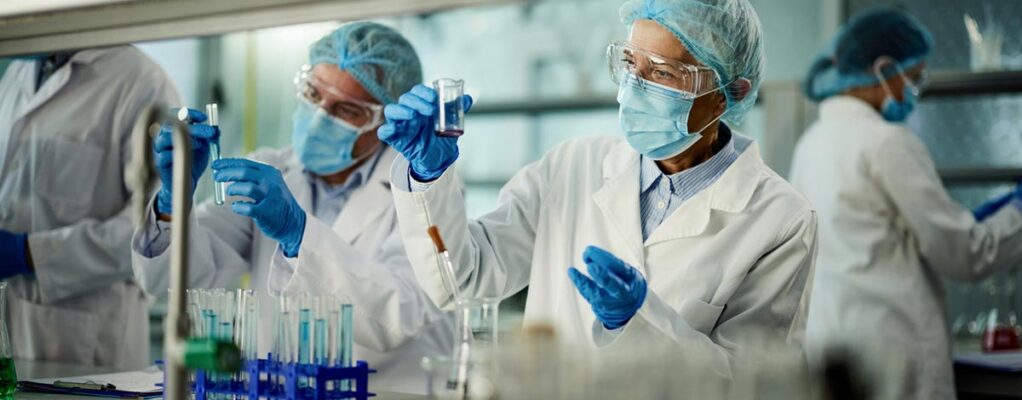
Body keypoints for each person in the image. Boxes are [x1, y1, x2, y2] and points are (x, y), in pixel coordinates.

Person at [378, 0, 817, 377]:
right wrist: (428, 176)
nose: (635, 87)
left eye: (663, 72)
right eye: (631, 64)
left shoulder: (781, 221)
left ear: (729, 92)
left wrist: (639, 322)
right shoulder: (572, 166)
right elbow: (464, 280)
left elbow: (752, 383)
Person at [131, 22, 452, 394]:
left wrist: (298, 235)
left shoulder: (423, 189)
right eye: (313, 93)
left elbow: (402, 314)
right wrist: (173, 201)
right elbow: (167, 281)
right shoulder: (271, 170)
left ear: (388, 122)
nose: (320, 116)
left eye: (348, 109)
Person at [790, 8, 1022, 399]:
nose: (915, 90)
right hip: (895, 358)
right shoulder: (887, 142)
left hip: (834, 354)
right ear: (884, 69)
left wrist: (965, 221)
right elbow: (966, 253)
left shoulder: (811, 143)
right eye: (913, 77)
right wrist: (1017, 212)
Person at [0, 47, 181, 368]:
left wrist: (28, 252)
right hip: (12, 325)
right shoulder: (18, 71)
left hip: (88, 342)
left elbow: (154, 231)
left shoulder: (142, 83)